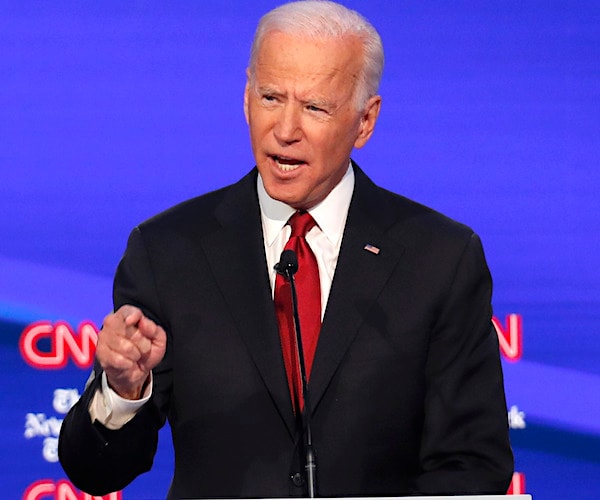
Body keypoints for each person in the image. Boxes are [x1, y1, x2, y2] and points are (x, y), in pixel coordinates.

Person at [58, 1, 514, 498]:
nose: (285, 129)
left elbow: (473, 463)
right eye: (271, 97)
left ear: (365, 122)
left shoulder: (440, 258)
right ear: (246, 97)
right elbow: (96, 472)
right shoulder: (170, 250)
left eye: (315, 107)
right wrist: (123, 391)